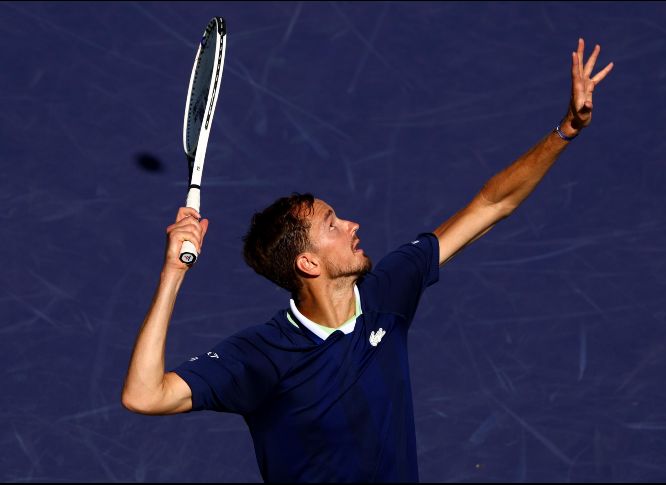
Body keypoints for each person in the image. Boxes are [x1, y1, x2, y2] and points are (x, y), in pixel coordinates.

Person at [122, 38, 613, 482]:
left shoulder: (385, 293)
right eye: (332, 225)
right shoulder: (260, 357)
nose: (352, 224)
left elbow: (489, 205)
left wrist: (565, 129)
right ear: (309, 264)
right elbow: (145, 395)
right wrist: (173, 272)